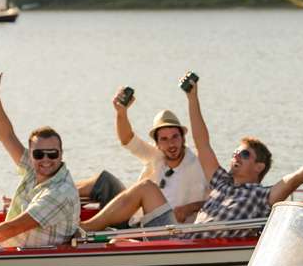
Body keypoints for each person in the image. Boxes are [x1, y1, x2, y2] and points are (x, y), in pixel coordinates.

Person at [80, 74, 303, 236]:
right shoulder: (221, 181)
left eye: (244, 154)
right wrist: (192, 97)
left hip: (187, 245)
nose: (235, 157)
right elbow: (203, 142)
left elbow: (294, 179)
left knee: (144, 189)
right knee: (141, 186)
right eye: (235, 153)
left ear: (259, 166)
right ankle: (86, 230)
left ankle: (87, 231)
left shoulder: (262, 195)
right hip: (178, 237)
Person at [0, 63, 80, 248]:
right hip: (7, 249)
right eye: (38, 154)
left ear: (61, 154)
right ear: (31, 155)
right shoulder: (33, 168)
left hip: (26, 258)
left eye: (52, 154)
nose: (45, 159)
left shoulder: (60, 192)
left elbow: (12, 228)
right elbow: (6, 135)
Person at [75, 88, 208, 225]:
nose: (171, 144)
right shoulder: (157, 156)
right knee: (105, 181)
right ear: (157, 144)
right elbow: (127, 139)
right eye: (164, 139)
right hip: (137, 223)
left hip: (169, 229)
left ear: (183, 138)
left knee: (146, 186)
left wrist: (189, 208)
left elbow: (219, 199)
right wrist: (121, 112)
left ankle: (87, 228)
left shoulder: (199, 164)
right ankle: (60, 194)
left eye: (175, 137)